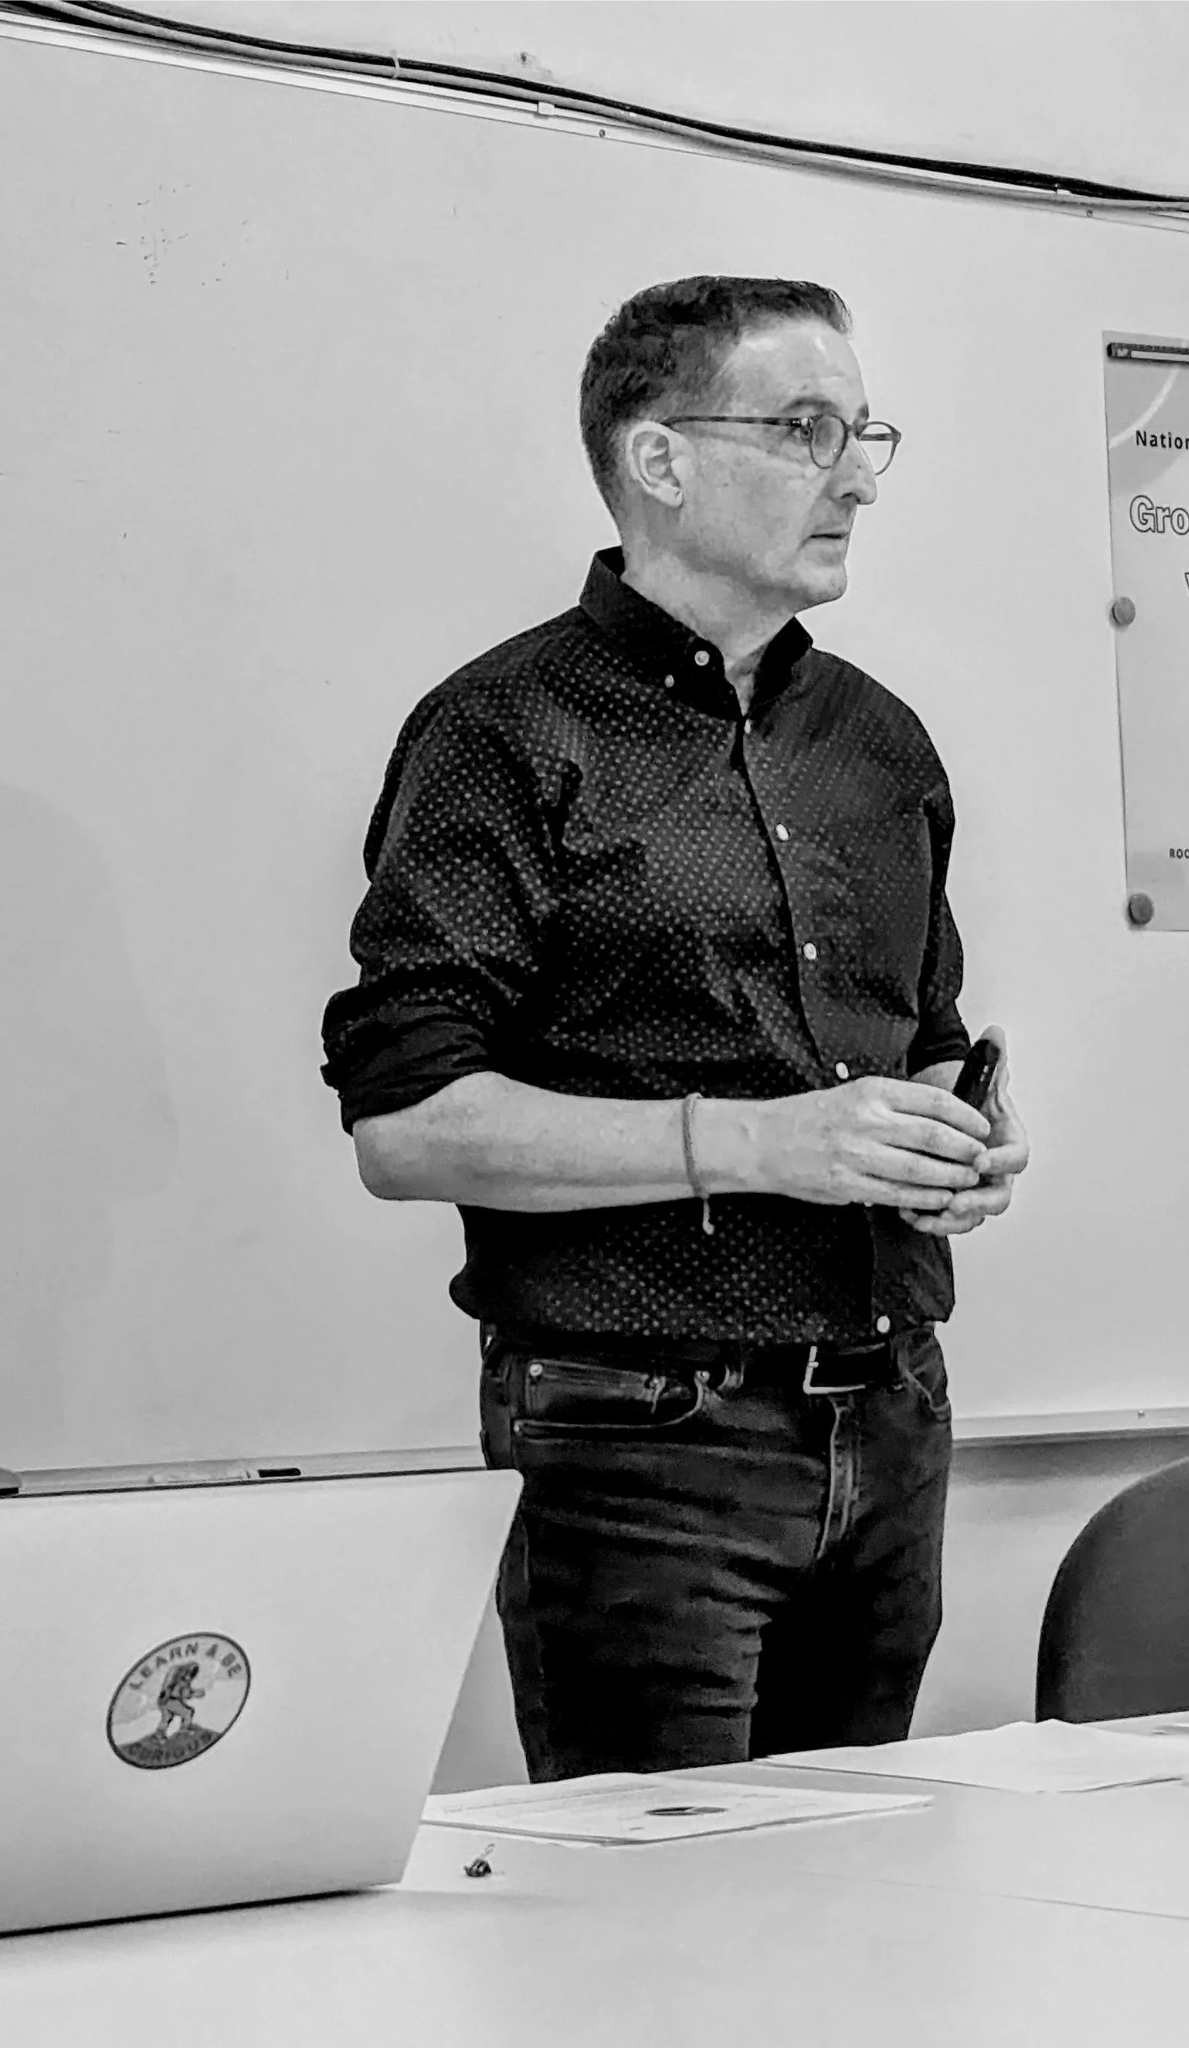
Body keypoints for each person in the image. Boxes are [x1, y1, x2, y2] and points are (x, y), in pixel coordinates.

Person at [320, 275, 1028, 1778]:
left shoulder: (878, 744)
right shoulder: (506, 730)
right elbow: (407, 1127)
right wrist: (769, 1143)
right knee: (656, 1941)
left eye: (863, 433)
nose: (851, 472)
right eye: (802, 427)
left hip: (891, 1412)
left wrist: (948, 1143)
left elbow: (922, 1038)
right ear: (658, 460)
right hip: (640, 1438)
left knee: (856, 1914)